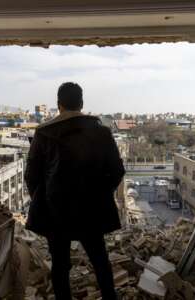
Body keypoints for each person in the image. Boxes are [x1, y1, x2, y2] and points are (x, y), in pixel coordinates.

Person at [24, 82, 125, 300]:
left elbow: (31, 177)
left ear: (59, 105)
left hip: (55, 211)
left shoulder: (43, 134)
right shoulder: (101, 132)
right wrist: (100, 195)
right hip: (91, 210)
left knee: (60, 266)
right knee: (100, 260)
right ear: (81, 103)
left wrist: (44, 200)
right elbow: (117, 171)